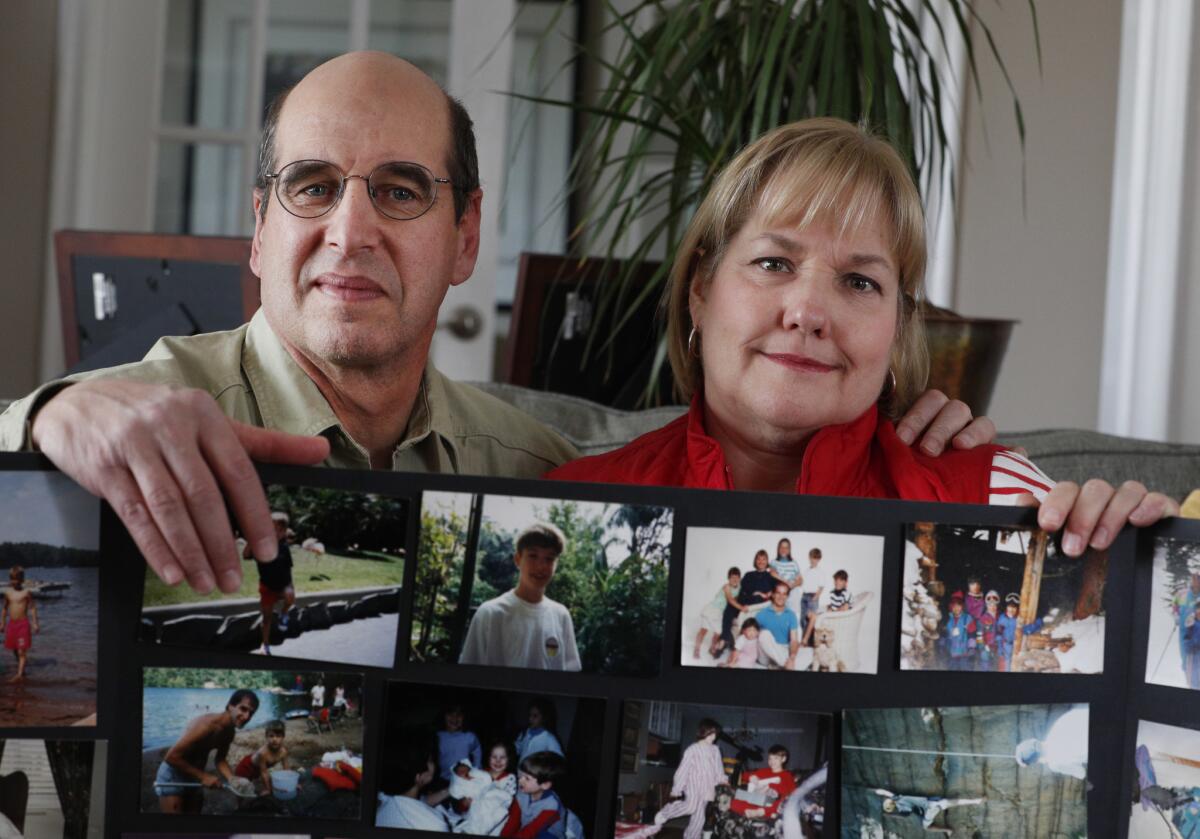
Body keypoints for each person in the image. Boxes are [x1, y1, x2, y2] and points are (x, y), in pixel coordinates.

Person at [0, 56, 1005, 596]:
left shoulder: (542, 473)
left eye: (398, 190)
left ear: (465, 235)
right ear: (259, 228)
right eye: (311, 187)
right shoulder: (140, 415)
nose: (349, 230)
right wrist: (41, 423)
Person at [546, 117, 1177, 552]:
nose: (809, 312)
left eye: (859, 282)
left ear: (898, 327)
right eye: (774, 264)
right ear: (702, 290)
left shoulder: (1005, 503)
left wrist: (1150, 571)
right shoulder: (566, 513)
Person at [459, 523, 581, 671]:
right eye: (533, 556)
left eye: (549, 559)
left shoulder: (561, 615)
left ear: (556, 564)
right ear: (517, 559)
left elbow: (571, 671)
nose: (541, 566)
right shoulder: (490, 613)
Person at [153, 689, 260, 813]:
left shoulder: (229, 732)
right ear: (231, 706)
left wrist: (232, 779)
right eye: (243, 709)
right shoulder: (206, 725)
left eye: (251, 713)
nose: (247, 716)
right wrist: (204, 776)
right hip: (173, 775)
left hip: (195, 775)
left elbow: (220, 759)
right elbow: (171, 757)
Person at [653, 719, 727, 839]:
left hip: (707, 787)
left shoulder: (715, 750)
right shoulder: (692, 749)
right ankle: (665, 813)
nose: (714, 737)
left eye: (715, 734)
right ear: (704, 731)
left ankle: (691, 836)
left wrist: (722, 779)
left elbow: (718, 768)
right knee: (690, 806)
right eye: (711, 733)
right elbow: (683, 770)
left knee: (699, 817)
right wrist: (677, 788)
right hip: (693, 784)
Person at [244, 511, 295, 655]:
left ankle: (284, 614)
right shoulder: (261, 545)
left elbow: (288, 568)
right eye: (273, 529)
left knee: (290, 596)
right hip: (267, 586)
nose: (277, 533)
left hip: (283, 585)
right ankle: (265, 645)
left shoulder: (284, 548)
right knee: (266, 618)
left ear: (284, 532)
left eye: (280, 530)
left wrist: (290, 586)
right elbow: (246, 555)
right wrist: (252, 540)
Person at [376, 743, 450, 830]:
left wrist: (453, 789)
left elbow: (421, 802)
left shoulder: (384, 797)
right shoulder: (435, 824)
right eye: (430, 760)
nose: (434, 763)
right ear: (419, 777)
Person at [501, 750, 569, 838]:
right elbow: (513, 821)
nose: (520, 780)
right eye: (521, 775)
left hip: (548, 834)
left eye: (527, 778)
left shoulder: (552, 805)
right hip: (528, 829)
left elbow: (533, 830)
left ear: (545, 785)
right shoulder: (521, 793)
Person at [722, 550, 775, 651]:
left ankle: (735, 642)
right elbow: (741, 592)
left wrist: (766, 593)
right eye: (758, 559)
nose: (761, 561)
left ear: (767, 561)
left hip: (757, 604)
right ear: (755, 561)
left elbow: (777, 590)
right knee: (730, 607)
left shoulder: (770, 576)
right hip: (745, 601)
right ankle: (724, 639)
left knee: (757, 598)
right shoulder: (748, 575)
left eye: (764, 559)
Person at [873, 789, 986, 833]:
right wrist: (876, 791)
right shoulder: (898, 796)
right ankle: (975, 801)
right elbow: (885, 792)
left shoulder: (902, 807)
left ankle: (947, 830)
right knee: (954, 802)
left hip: (929, 811)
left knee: (927, 827)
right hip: (931, 801)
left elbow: (905, 815)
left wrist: (891, 816)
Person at [730, 744, 797, 819]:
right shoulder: (764, 771)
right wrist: (751, 777)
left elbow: (792, 793)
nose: (772, 761)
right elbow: (744, 775)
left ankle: (761, 812)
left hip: (774, 802)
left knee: (782, 800)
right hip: (759, 800)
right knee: (734, 801)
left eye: (776, 758)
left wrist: (771, 785)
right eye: (770, 759)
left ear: (783, 759)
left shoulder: (787, 775)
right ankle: (767, 813)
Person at [233, 718, 290, 797]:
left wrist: (292, 784)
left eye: (278, 736)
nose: (274, 739)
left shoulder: (283, 752)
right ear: (266, 736)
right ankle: (238, 806)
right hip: (246, 768)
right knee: (241, 789)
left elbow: (286, 768)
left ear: (283, 737)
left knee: (254, 788)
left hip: (257, 770)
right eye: (271, 736)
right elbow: (264, 772)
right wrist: (268, 789)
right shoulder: (263, 753)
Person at [1, 566, 39, 682]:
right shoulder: (8, 593)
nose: (14, 582)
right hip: (12, 625)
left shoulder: (26, 593)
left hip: (23, 625)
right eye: (12, 579)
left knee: (21, 650)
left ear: (22, 580)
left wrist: (35, 623)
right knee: (14, 649)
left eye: (17, 579)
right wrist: (2, 623)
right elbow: (4, 609)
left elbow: (32, 608)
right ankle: (22, 668)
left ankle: (19, 674)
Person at [695, 566, 741, 658]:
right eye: (732, 577)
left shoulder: (739, 589)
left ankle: (712, 648)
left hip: (720, 613)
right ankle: (697, 649)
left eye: (737, 577)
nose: (734, 579)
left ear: (740, 578)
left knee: (719, 632)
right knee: (704, 630)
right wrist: (742, 607)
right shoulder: (726, 587)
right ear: (728, 578)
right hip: (713, 609)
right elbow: (730, 600)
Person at [755, 582, 801, 670]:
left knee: (808, 652)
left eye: (784, 594)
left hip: (782, 649)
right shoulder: (761, 614)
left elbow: (794, 640)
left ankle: (780, 664)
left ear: (787, 597)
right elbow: (750, 635)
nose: (781, 597)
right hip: (765, 655)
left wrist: (792, 657)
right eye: (778, 593)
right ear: (772, 594)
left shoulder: (791, 615)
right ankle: (785, 664)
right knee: (764, 634)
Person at [438, 704, 482, 782]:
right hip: (443, 778)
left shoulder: (469, 736)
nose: (454, 718)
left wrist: (477, 769)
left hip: (464, 778)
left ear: (464, 717)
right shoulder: (438, 736)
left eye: (458, 715)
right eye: (450, 714)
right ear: (443, 716)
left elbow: (477, 751)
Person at [796, 548, 828, 646]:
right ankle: (804, 641)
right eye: (812, 558)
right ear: (809, 558)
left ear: (819, 559)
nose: (813, 560)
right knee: (802, 620)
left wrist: (816, 596)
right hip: (804, 596)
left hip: (813, 596)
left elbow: (821, 586)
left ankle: (808, 642)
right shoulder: (806, 571)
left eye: (816, 558)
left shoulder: (820, 571)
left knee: (811, 619)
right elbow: (802, 583)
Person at [768, 538, 803, 623]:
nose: (784, 550)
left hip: (792, 591)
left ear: (789, 550)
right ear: (778, 549)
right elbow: (772, 573)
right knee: (779, 617)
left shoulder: (793, 563)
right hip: (780, 592)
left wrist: (792, 585)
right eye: (781, 547)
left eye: (786, 547)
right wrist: (786, 582)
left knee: (793, 616)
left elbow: (800, 580)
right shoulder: (774, 562)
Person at [940, 591, 976, 671]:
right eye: (954, 605)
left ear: (962, 606)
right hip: (951, 654)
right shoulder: (947, 619)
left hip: (965, 654)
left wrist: (971, 647)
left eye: (958, 605)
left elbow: (972, 634)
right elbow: (944, 634)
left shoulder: (967, 618)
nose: (956, 608)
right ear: (951, 607)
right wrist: (942, 646)